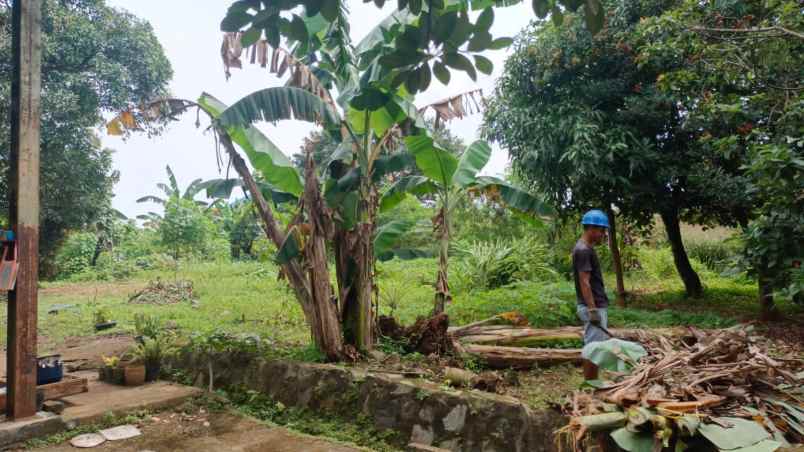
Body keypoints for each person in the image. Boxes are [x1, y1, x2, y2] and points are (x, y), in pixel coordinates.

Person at [573, 209, 610, 380]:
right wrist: (592, 309)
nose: (603, 234)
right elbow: (584, 281)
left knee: (596, 348)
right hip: (592, 306)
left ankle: (593, 383)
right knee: (593, 349)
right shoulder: (583, 250)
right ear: (591, 229)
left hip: (594, 305)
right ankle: (591, 386)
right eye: (601, 230)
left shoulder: (585, 248)